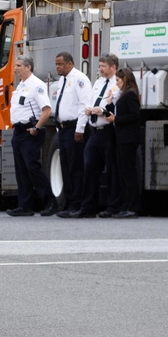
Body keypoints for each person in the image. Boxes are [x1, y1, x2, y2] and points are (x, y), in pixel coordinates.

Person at [6, 55, 57, 217]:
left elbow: (46, 109)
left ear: (28, 67)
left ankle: (50, 201)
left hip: (30, 131)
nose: (15, 68)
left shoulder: (36, 85)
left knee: (32, 167)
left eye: (19, 66)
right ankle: (25, 205)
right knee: (21, 170)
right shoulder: (21, 86)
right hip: (19, 131)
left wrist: (36, 127)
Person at [74, 53, 119, 218]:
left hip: (108, 130)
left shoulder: (117, 83)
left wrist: (102, 110)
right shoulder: (98, 83)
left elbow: (114, 104)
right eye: (99, 66)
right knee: (89, 168)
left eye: (103, 66)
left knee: (112, 170)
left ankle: (112, 206)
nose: (100, 69)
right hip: (94, 130)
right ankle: (88, 206)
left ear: (113, 67)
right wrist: (89, 109)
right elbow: (92, 101)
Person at [51, 52, 91, 217]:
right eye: (56, 64)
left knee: (76, 168)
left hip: (75, 128)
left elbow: (84, 105)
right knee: (65, 168)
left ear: (69, 63)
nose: (58, 67)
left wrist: (80, 129)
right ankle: (68, 203)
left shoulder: (79, 79)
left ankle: (77, 203)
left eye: (60, 64)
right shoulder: (62, 80)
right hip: (63, 129)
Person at [104, 67, 143, 218]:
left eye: (118, 80)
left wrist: (117, 120)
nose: (117, 83)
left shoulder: (130, 95)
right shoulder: (122, 95)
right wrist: (109, 104)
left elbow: (134, 116)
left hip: (128, 138)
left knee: (128, 173)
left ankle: (132, 207)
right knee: (123, 172)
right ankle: (125, 205)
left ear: (125, 80)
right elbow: (117, 114)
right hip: (121, 138)